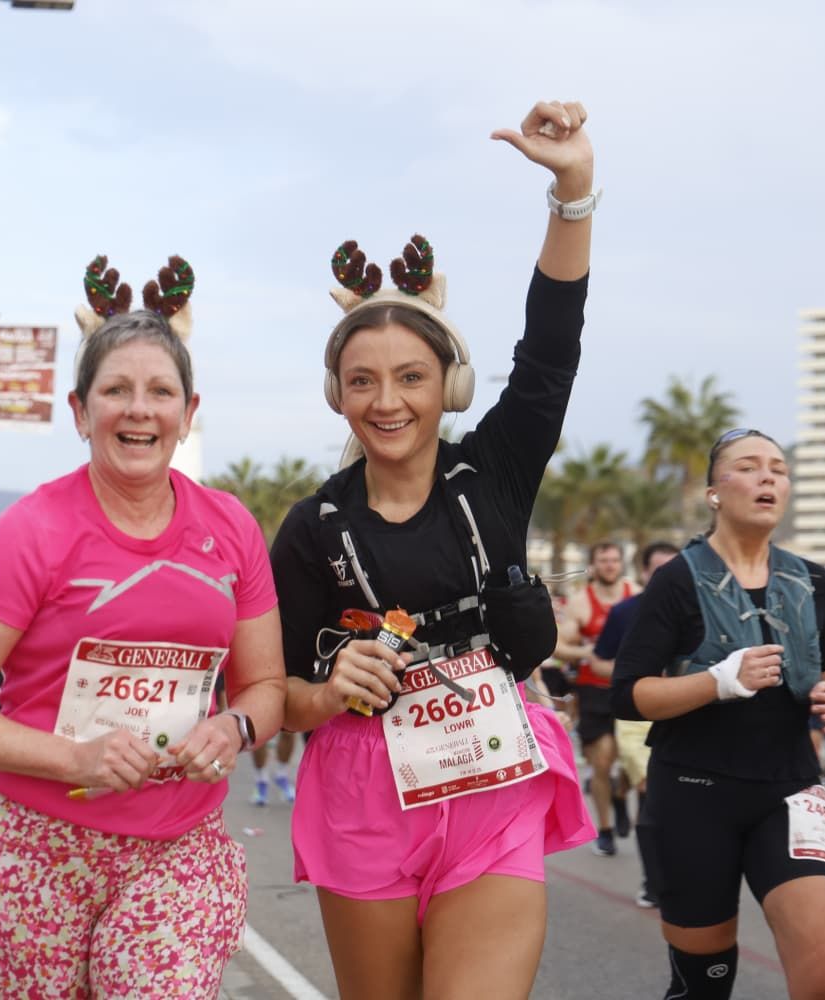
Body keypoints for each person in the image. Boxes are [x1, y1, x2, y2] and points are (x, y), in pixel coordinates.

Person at [270, 98, 597, 1000]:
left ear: (446, 385)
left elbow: (549, 357)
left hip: (492, 775)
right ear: (337, 394)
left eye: (411, 377)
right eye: (363, 380)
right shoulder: (310, 528)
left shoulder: (490, 473)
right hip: (362, 791)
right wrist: (330, 690)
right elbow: (273, 693)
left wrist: (571, 191)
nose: (388, 401)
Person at [0, 257, 287, 1000]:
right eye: (116, 391)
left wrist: (237, 727)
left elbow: (266, 684)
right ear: (81, 412)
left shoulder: (232, 528)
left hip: (177, 847)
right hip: (29, 850)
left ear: (188, 410)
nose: (138, 410)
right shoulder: (33, 531)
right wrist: (76, 760)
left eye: (160, 392)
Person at [611, 428, 825, 1000]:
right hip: (694, 792)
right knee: (704, 987)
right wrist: (718, 681)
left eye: (778, 468)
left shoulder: (812, 579)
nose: (768, 476)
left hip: (791, 790)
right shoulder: (676, 580)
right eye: (748, 466)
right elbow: (629, 693)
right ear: (714, 492)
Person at [587, 540, 679, 907]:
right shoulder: (626, 612)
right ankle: (653, 881)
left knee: (674, 799)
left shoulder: (699, 609)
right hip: (638, 717)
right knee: (649, 789)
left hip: (688, 713)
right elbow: (597, 662)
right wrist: (639, 675)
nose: (667, 578)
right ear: (643, 573)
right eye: (658, 570)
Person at [557, 540, 638, 855]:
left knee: (631, 762)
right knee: (602, 761)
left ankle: (621, 796)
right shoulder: (581, 602)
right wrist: (587, 651)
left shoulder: (637, 595)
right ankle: (604, 829)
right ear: (593, 565)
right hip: (593, 692)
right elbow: (558, 646)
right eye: (603, 560)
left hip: (632, 688)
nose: (609, 566)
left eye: (614, 560)